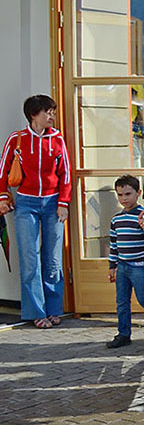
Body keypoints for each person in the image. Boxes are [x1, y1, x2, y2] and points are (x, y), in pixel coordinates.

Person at [0, 94, 71, 328]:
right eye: (47, 112)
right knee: (30, 259)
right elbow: (2, 173)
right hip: (26, 204)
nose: (51, 116)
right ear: (33, 116)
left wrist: (64, 202)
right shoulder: (17, 139)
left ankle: (53, 309)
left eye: (52, 111)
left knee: (52, 259)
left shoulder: (58, 139)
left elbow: (66, 175)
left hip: (53, 204)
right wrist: (2, 198)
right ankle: (36, 312)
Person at [106, 175, 144, 349]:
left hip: (140, 266)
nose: (124, 198)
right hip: (122, 266)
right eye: (120, 195)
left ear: (138, 193)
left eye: (128, 194)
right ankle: (123, 334)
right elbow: (114, 244)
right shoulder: (116, 219)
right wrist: (112, 266)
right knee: (122, 301)